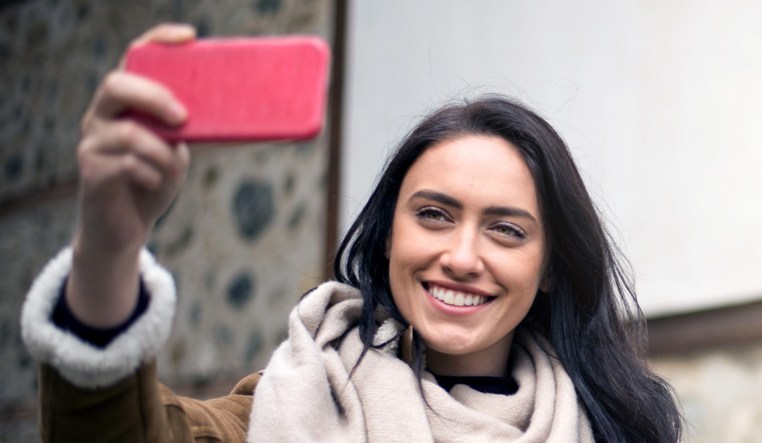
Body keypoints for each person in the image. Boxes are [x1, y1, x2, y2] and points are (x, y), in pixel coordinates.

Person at [21, 24, 682, 442]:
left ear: (552, 266)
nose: (460, 256)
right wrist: (108, 246)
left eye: (506, 231)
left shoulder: (613, 429)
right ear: (388, 235)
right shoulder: (292, 406)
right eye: (433, 214)